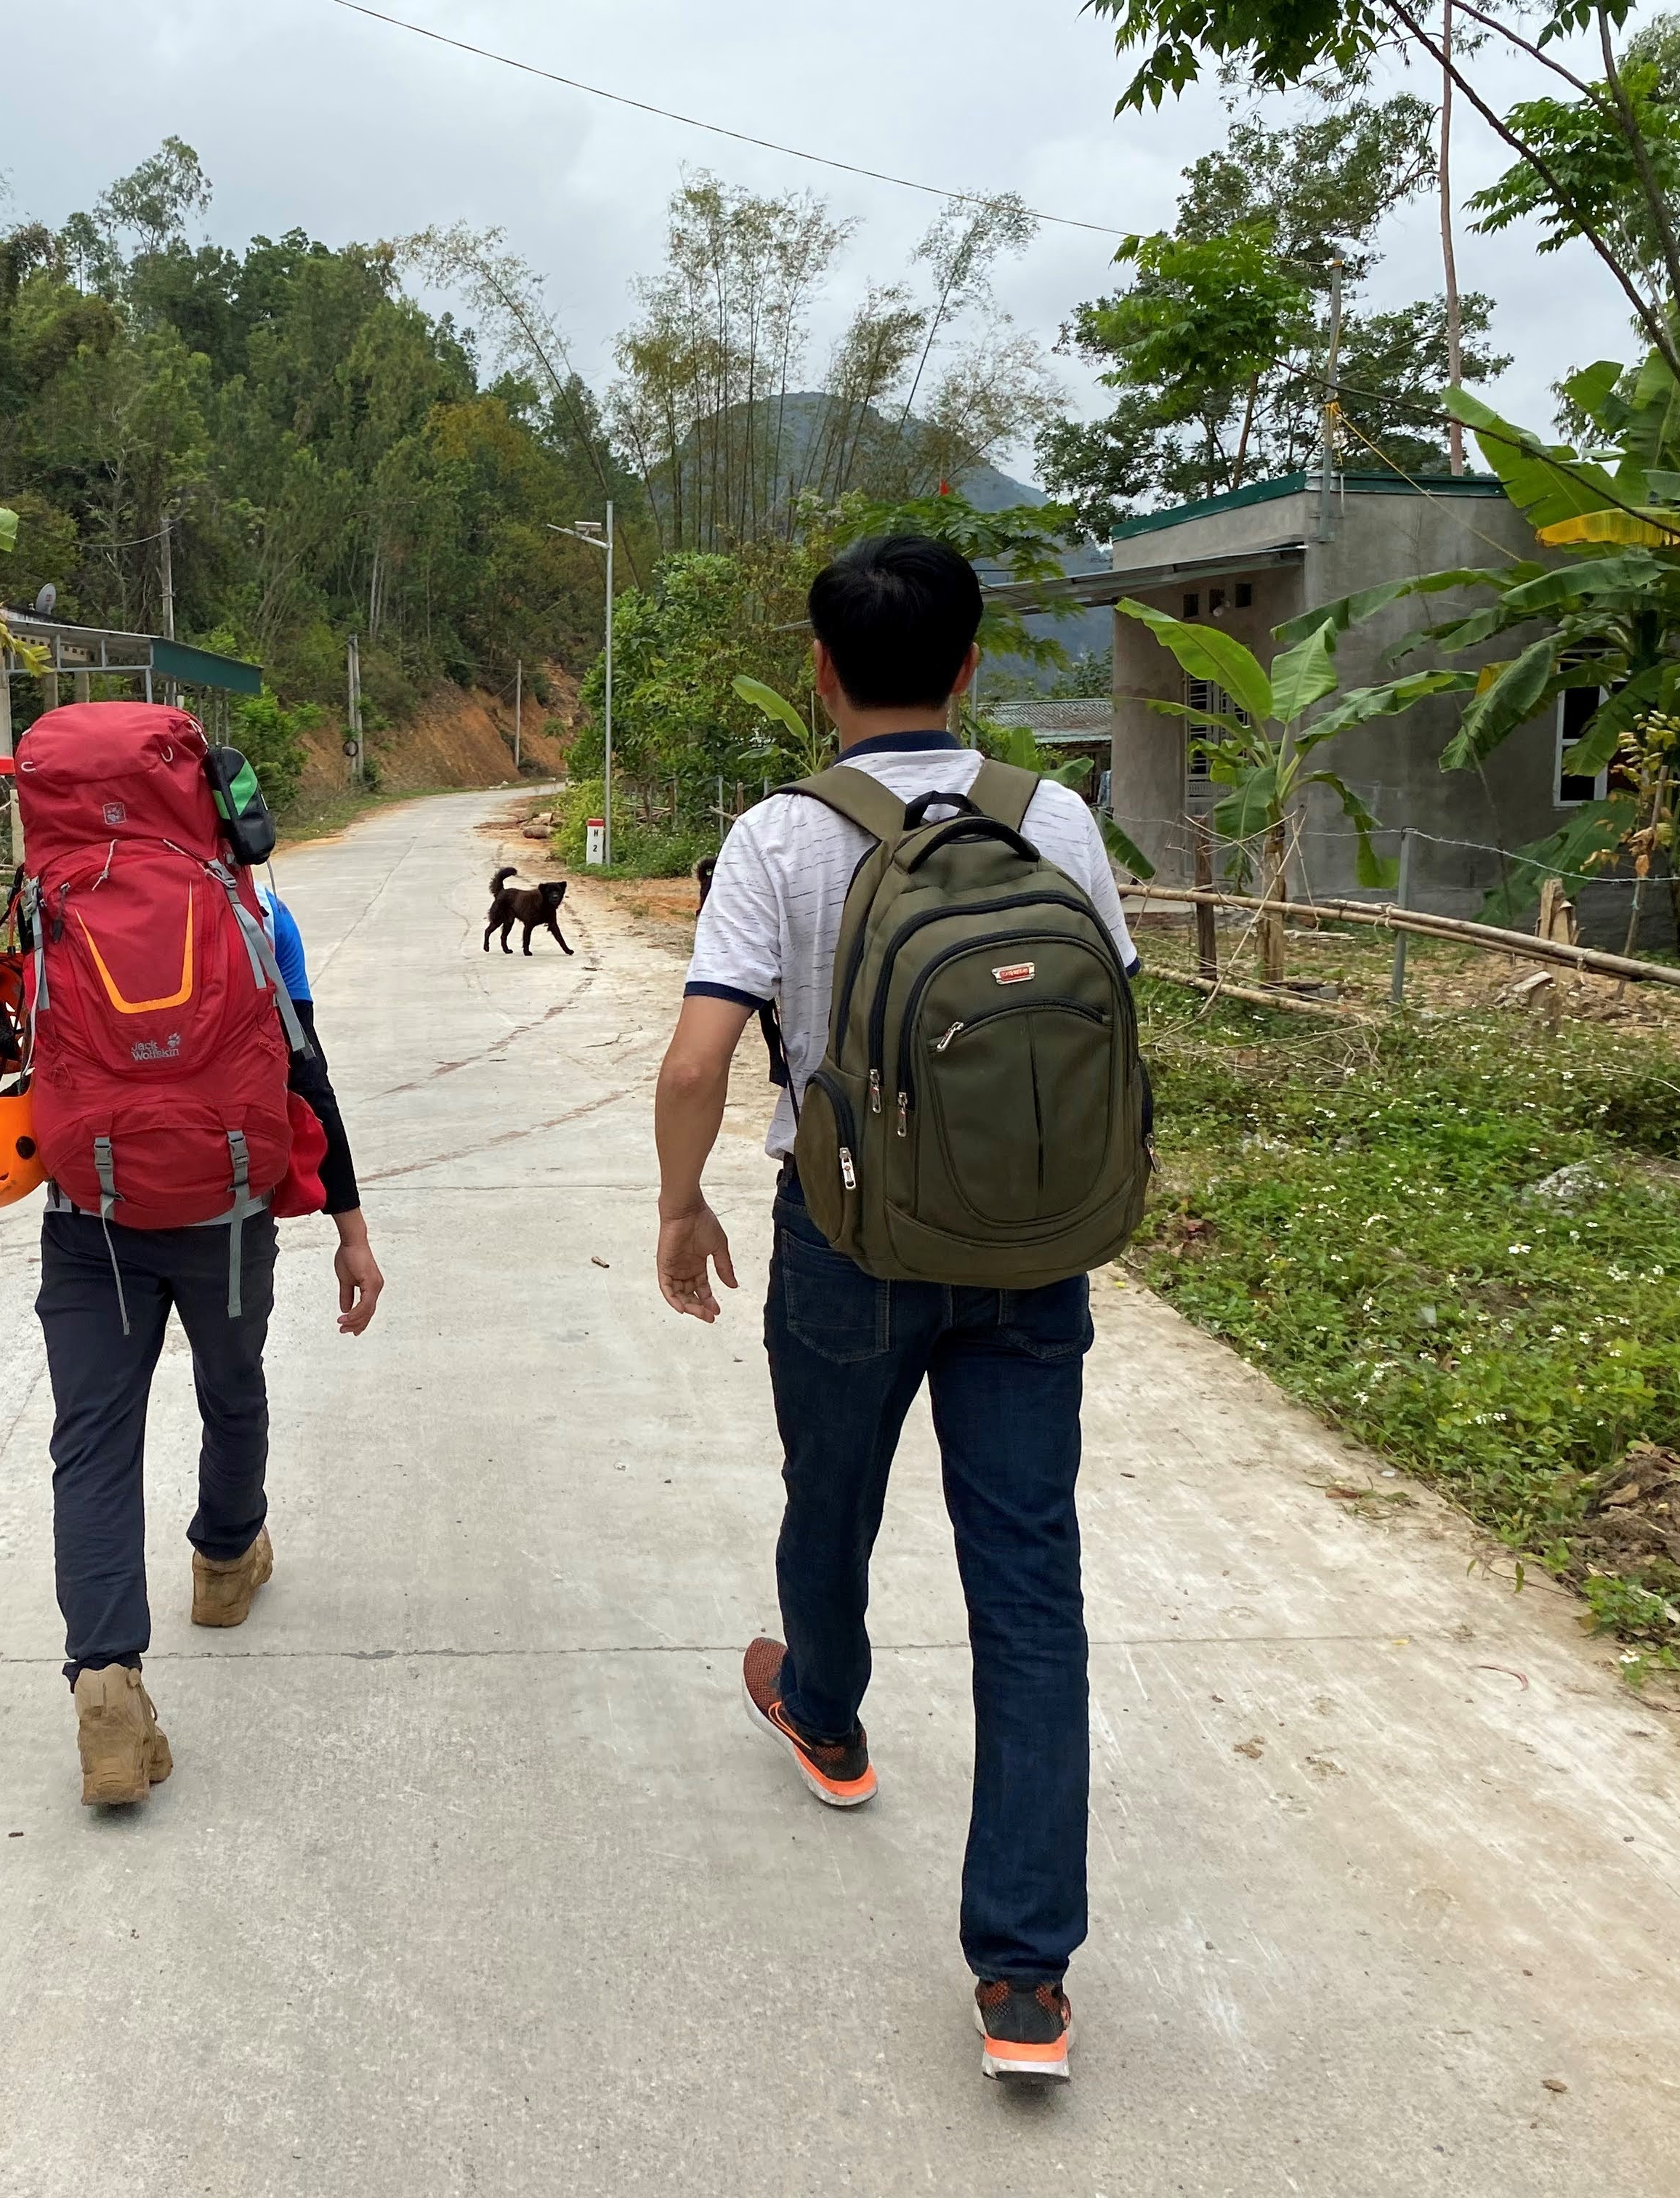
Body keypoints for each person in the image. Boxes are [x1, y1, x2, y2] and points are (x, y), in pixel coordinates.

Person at [650, 534, 1139, 2083]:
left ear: (820, 669)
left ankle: (829, 1716)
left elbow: (696, 1060)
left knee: (833, 1491)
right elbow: (1107, 1006)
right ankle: (1024, 1980)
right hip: (1029, 1248)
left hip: (850, 1242)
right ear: (973, 668)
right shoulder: (1050, 812)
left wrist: (680, 1206)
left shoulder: (780, 837)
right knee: (1029, 1584)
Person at [38, 884, 383, 1808]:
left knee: (94, 1445)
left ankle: (106, 1683)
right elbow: (306, 1072)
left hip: (91, 1221)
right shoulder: (262, 919)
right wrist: (351, 1228)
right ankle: (225, 1563)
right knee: (232, 1387)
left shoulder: (55, 903)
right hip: (227, 1216)